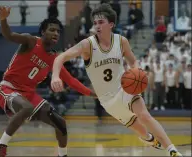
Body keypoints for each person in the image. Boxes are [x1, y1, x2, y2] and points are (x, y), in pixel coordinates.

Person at [51, 4, 183, 157]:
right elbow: (60, 57)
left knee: (144, 116)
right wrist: (55, 76)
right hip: (107, 100)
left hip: (125, 88)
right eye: (95, 23)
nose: (97, 26)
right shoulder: (88, 45)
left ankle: (172, 150)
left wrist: (136, 70)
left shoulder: (121, 41)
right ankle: (148, 138)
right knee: (139, 129)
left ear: (111, 24)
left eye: (101, 22)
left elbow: (133, 61)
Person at [0, 6, 95, 157]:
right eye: (52, 30)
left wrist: (92, 94)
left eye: (58, 31)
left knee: (60, 123)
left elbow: (70, 80)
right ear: (43, 32)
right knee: (26, 108)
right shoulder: (30, 41)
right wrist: (3, 19)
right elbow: (9, 35)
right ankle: (0, 147)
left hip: (29, 95)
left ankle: (62, 155)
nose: (56, 33)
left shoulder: (53, 58)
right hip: (8, 88)